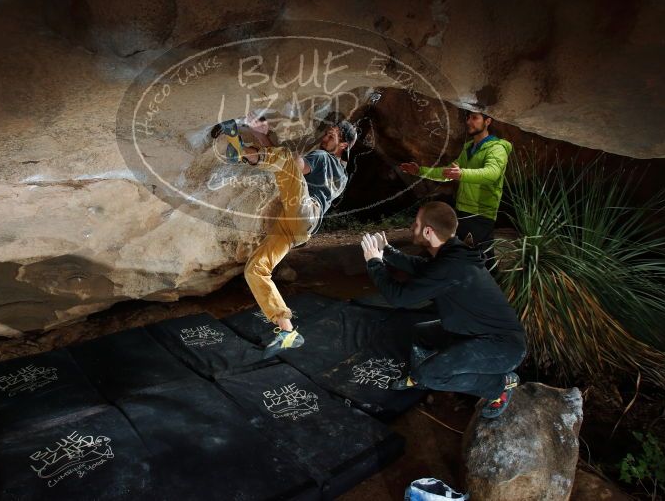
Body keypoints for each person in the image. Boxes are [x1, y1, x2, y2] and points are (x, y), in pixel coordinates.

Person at [360, 201, 526, 418]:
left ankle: (499, 385)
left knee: (430, 375)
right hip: (476, 333)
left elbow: (398, 297)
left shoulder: (451, 266)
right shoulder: (453, 253)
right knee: (421, 333)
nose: (412, 227)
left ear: (428, 231)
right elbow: (422, 267)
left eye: (416, 224)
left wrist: (374, 263)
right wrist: (387, 252)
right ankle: (421, 377)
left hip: (501, 347)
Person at [223, 116, 357, 358]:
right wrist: (263, 135)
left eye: (331, 136)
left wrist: (263, 138)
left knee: (286, 156)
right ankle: (288, 332)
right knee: (256, 270)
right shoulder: (343, 176)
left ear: (344, 145)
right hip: (297, 226)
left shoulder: (323, 157)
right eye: (326, 133)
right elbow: (285, 171)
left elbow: (293, 164)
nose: (324, 138)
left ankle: (239, 149)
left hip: (305, 211)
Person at [400, 112, 512, 269]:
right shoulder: (469, 148)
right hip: (463, 211)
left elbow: (492, 174)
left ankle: (491, 289)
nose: (469, 122)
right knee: (464, 256)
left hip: (480, 214)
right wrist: (419, 171)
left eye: (474, 118)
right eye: (468, 118)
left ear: (487, 121)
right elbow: (447, 173)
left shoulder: (497, 148)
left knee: (481, 260)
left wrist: (462, 174)